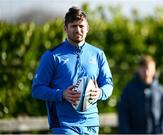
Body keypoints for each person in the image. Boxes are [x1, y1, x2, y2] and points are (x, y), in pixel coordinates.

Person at [32, 7, 113, 135]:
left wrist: (100, 93)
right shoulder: (52, 55)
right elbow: (37, 89)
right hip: (63, 124)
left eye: (81, 26)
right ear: (65, 28)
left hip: (91, 123)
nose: (78, 30)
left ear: (87, 28)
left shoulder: (98, 54)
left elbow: (108, 85)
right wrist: (61, 94)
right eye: (73, 26)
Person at [117, 55, 163, 134]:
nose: (147, 73)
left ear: (154, 70)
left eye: (149, 69)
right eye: (144, 69)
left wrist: (161, 131)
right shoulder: (129, 90)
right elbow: (123, 113)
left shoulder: (160, 91)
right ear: (138, 69)